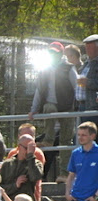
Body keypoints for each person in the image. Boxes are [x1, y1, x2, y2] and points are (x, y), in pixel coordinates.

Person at [29, 42, 77, 183]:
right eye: (51, 53)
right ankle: (49, 139)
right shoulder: (44, 70)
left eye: (55, 53)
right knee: (48, 108)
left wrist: (78, 107)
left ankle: (64, 174)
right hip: (52, 105)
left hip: (67, 108)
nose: (53, 55)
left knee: (66, 142)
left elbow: (77, 87)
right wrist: (33, 109)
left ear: (61, 54)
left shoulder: (69, 68)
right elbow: (39, 91)